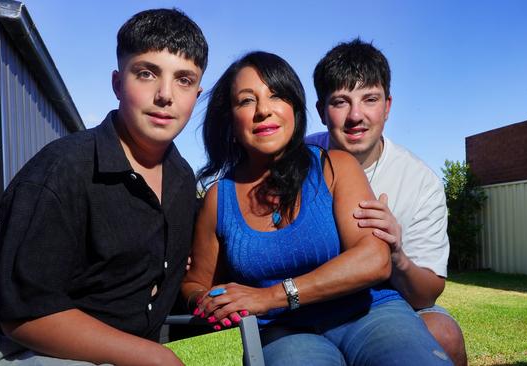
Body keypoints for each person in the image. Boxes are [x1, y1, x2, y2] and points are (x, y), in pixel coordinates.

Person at [0, 8, 207, 366]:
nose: (165, 95)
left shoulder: (181, 180)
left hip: (118, 352)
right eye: (146, 73)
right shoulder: (62, 170)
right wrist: (154, 356)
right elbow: (25, 315)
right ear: (118, 83)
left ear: (197, 92)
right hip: (15, 351)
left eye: (184, 80)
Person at [182, 51, 452, 365]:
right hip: (284, 333)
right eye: (246, 100)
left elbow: (374, 259)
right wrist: (205, 299)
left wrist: (269, 297)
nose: (263, 110)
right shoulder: (219, 198)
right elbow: (195, 282)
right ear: (229, 117)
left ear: (294, 109)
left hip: (370, 314)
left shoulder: (335, 166)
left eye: (277, 96)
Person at [306, 38, 467, 365]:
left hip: (389, 303)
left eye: (370, 99)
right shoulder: (296, 163)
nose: (356, 115)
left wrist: (396, 254)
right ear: (321, 111)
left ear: (388, 106)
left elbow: (426, 294)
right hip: (309, 306)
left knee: (444, 334)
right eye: (340, 101)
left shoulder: (420, 182)